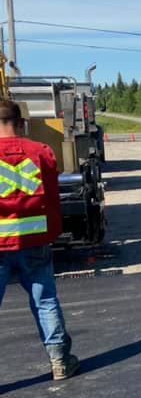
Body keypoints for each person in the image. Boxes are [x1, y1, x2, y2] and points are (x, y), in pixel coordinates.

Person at [0, 99, 79, 380]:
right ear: (21, 123)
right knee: (45, 301)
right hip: (34, 241)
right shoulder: (40, 152)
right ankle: (60, 361)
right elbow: (50, 190)